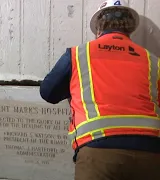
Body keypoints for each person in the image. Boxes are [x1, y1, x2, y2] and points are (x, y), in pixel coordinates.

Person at [40, 0, 160, 179]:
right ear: (130, 29)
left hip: (98, 151)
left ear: (98, 28)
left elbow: (48, 93)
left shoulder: (78, 54)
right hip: (151, 153)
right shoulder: (153, 61)